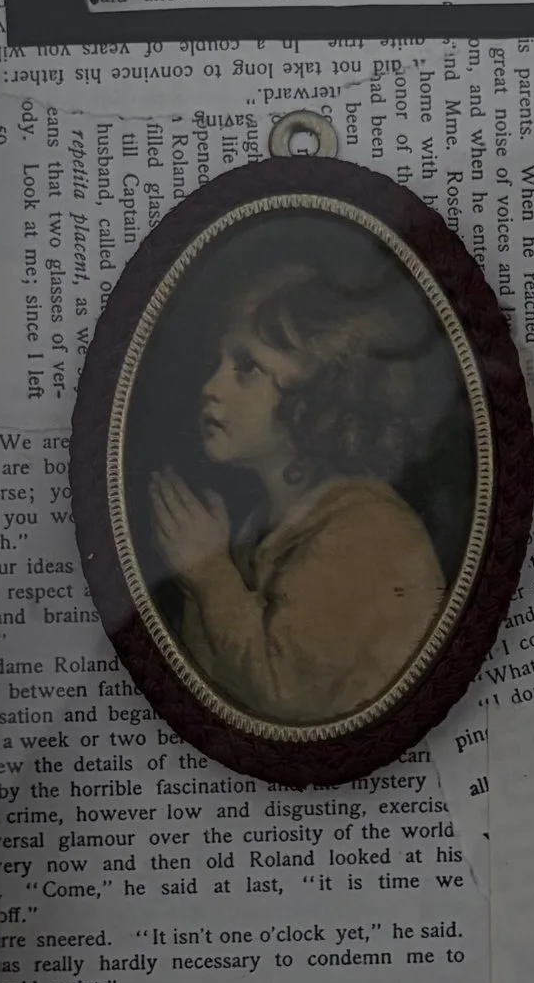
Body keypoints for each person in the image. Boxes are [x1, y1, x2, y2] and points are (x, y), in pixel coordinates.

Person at [145, 232, 458, 725]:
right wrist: (203, 573)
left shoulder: (367, 529)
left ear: (320, 398)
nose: (210, 387)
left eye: (246, 367)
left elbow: (287, 698)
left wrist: (208, 573)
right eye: (219, 363)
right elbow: (217, 688)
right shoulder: (263, 524)